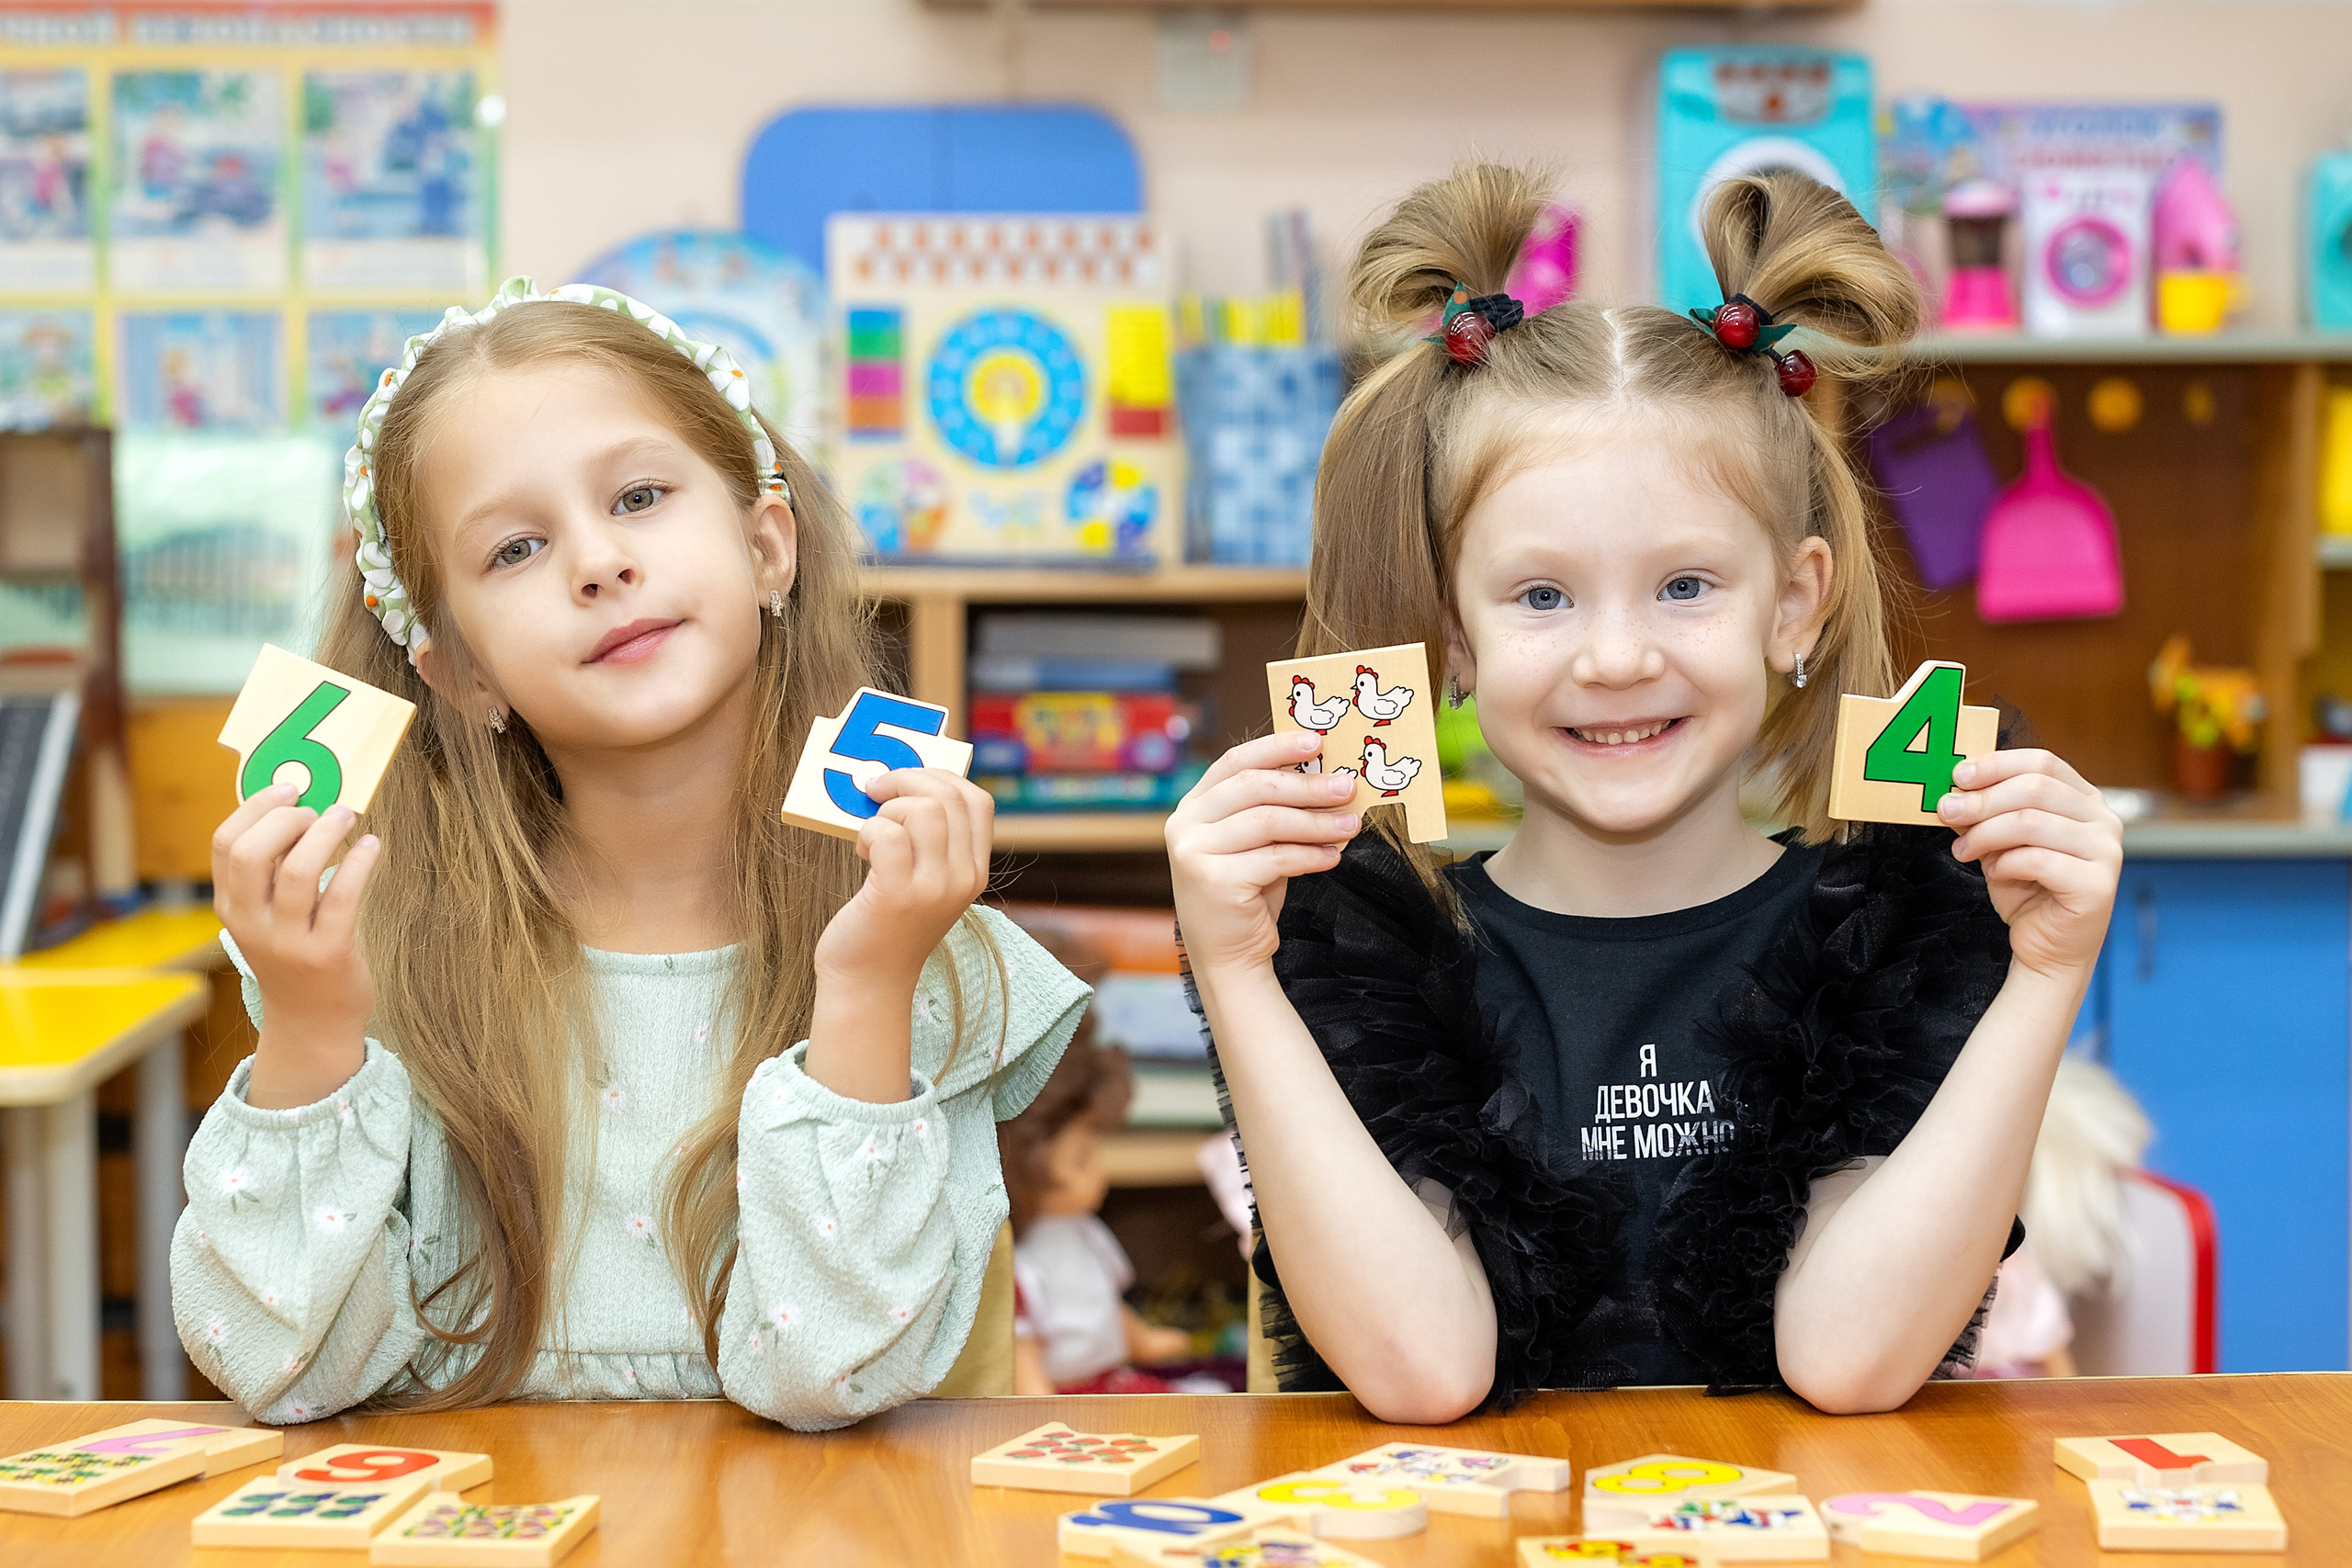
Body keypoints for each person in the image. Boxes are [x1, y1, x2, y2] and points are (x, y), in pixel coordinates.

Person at [1167, 168, 2123, 1420]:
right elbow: (1425, 1368)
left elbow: (1847, 1356)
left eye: (1684, 586)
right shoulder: (1380, 951)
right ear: (1454, 636)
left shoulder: (1886, 931)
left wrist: (2047, 973)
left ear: (1793, 600)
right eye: (1541, 596)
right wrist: (1235, 971)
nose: (1615, 656)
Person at [176, 278, 1088, 1429]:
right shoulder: (371, 955)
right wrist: (309, 1023)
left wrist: (867, 981)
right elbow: (282, 1369)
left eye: (642, 495)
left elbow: (831, 1381)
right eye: (514, 549)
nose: (597, 563)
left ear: (766, 546)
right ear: (457, 669)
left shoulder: (922, 948)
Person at [1000, 1021, 1192, 1395]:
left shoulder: (1084, 1230)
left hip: (1109, 1377)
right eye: (1082, 1160)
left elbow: (1106, 1303)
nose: (1099, 1171)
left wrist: (1143, 1340)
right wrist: (1037, 1398)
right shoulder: (1021, 1263)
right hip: (1065, 1390)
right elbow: (1022, 1346)